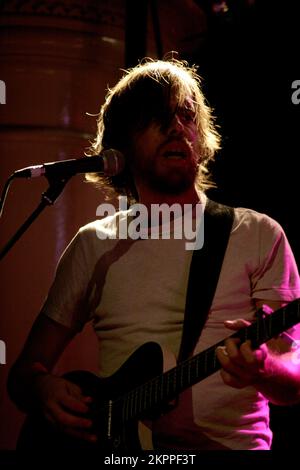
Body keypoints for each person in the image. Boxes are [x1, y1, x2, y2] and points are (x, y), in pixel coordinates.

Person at [7, 58, 300, 452]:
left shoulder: (257, 234)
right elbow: (24, 374)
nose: (176, 127)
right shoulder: (93, 243)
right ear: (120, 145)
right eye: (156, 117)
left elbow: (293, 381)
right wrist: (43, 389)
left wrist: (264, 369)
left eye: (186, 115)